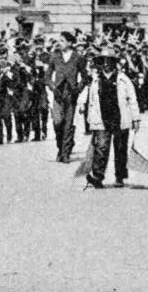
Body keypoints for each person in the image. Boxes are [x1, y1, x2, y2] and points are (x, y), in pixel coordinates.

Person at [82, 46, 141, 189]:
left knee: (120, 148)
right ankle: (98, 176)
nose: (106, 64)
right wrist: (87, 114)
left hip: (120, 117)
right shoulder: (96, 80)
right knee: (101, 147)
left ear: (114, 63)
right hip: (102, 117)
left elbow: (132, 99)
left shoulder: (123, 79)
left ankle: (119, 176)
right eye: (103, 61)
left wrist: (135, 118)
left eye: (109, 61)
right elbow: (90, 98)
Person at [46, 31, 85, 163]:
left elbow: (85, 77)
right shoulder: (54, 56)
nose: (59, 43)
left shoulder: (78, 57)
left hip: (71, 94)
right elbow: (47, 76)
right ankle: (60, 148)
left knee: (68, 124)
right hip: (58, 94)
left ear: (70, 43)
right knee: (57, 122)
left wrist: (78, 89)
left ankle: (65, 153)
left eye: (62, 41)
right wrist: (52, 87)